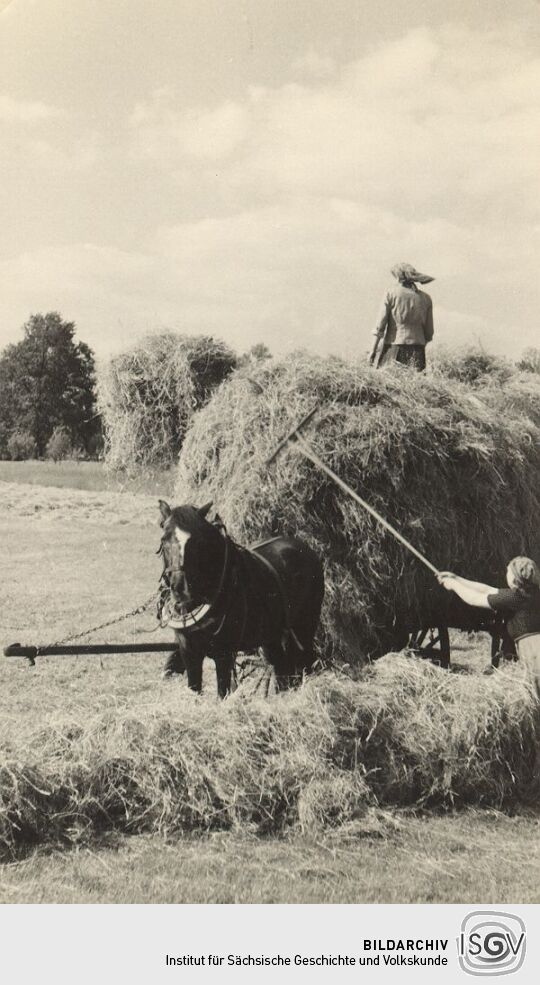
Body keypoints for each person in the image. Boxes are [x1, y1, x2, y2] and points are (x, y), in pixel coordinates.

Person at [438, 557, 540, 692]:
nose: (506, 574)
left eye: (508, 572)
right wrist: (457, 578)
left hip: (533, 649)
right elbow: (488, 590)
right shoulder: (529, 593)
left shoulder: (516, 598)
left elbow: (474, 599)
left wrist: (453, 585)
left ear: (515, 578)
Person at [370, 262, 435, 371]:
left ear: (398, 277)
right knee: (416, 385)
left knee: (390, 384)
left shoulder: (391, 294)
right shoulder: (426, 298)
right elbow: (429, 333)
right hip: (418, 351)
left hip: (394, 348)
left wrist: (372, 351)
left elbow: (379, 327)